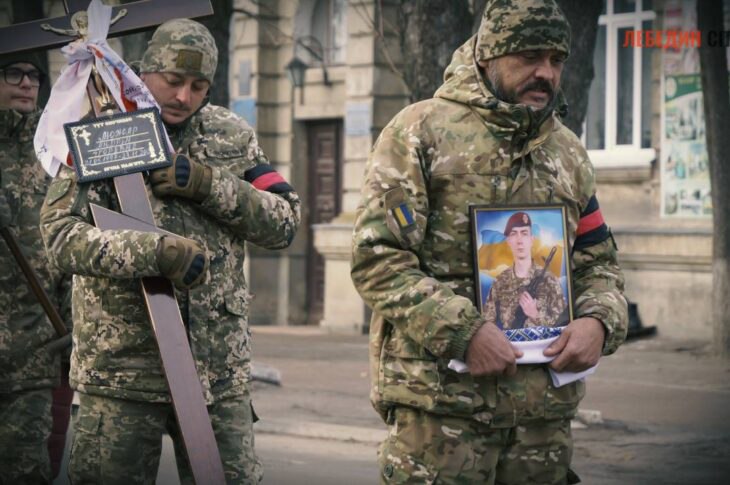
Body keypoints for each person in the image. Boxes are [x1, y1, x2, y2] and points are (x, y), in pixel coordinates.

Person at [350, 0, 628, 483]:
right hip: (443, 414)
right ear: (487, 56)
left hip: (543, 419)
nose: (545, 73)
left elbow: (598, 263)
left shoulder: (567, 153)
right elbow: (378, 260)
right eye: (528, 57)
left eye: (556, 61)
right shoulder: (420, 132)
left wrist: (599, 323)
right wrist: (464, 333)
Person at [40, 19, 300, 484]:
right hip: (122, 373)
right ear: (146, 71)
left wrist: (210, 185)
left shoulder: (231, 135)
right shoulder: (104, 130)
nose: (184, 96)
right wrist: (152, 252)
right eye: (174, 81)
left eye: (198, 86)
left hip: (215, 374)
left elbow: (284, 223)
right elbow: (60, 235)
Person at [0, 52, 72, 483]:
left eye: (34, 76)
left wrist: (70, 326)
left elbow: (67, 250)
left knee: (26, 471)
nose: (27, 84)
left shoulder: (52, 158)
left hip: (32, 355)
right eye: (13, 73)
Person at [483, 211, 565, 329]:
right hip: (507, 346)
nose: (519, 240)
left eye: (524, 233)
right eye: (514, 234)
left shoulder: (549, 280)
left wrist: (535, 315)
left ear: (531, 240)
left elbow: (563, 326)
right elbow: (488, 325)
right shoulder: (500, 282)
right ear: (508, 241)